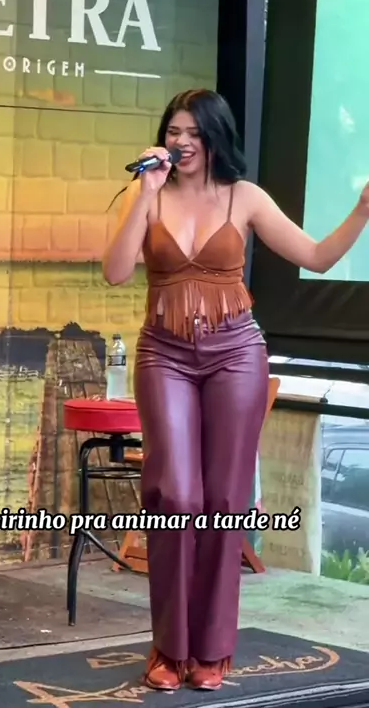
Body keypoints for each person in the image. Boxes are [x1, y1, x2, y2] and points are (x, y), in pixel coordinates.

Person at [102, 88, 369, 692]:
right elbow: (116, 272)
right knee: (174, 496)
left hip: (235, 354)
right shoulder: (149, 194)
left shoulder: (244, 197)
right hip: (165, 354)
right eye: (173, 131)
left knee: (224, 498)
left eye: (193, 132)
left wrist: (360, 211)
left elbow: (317, 257)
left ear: (215, 137)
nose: (181, 141)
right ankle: (169, 646)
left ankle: (213, 649)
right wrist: (144, 195)